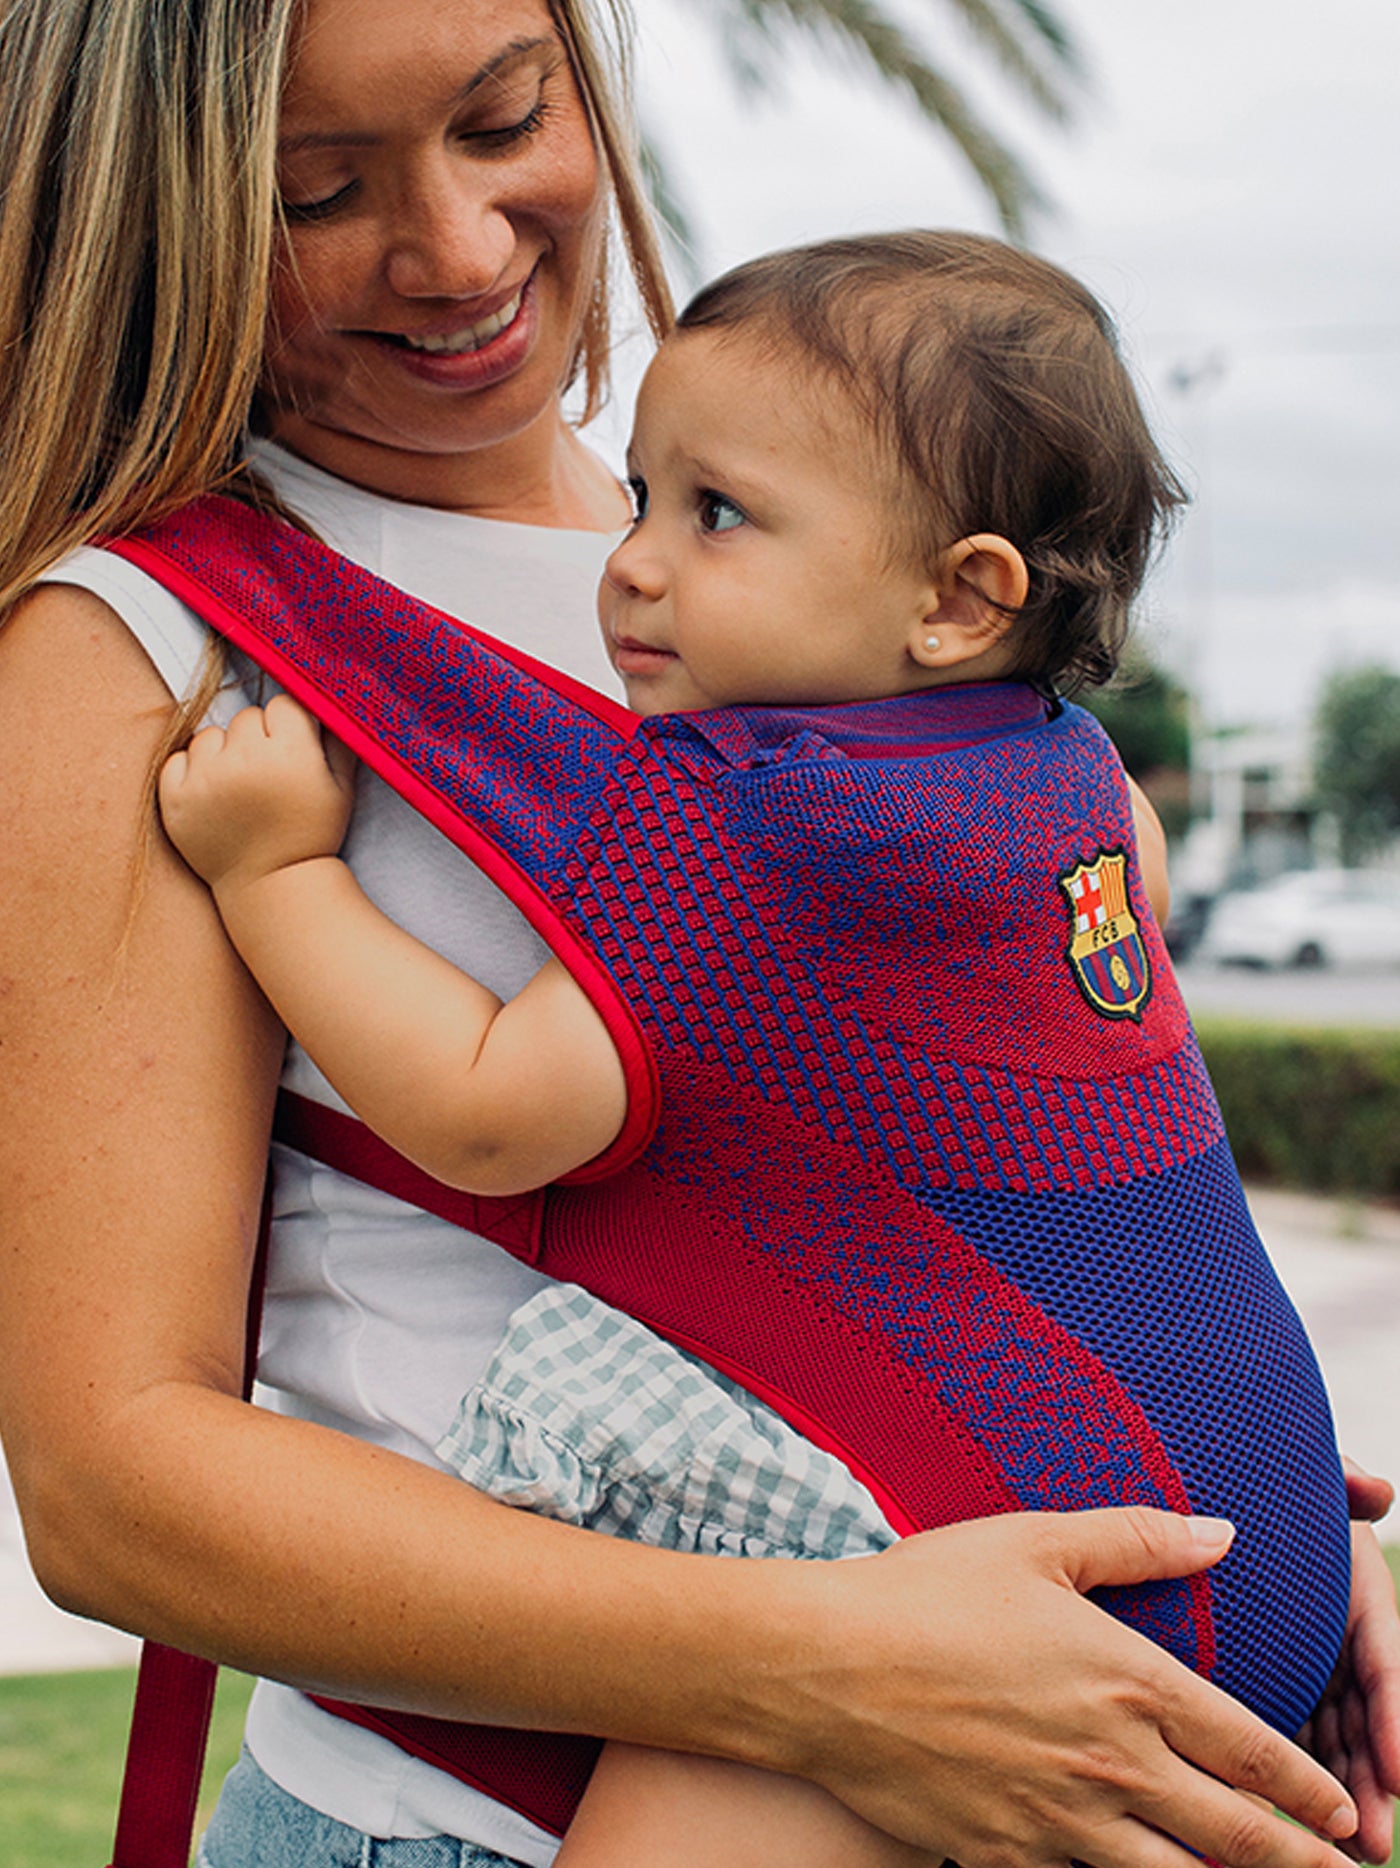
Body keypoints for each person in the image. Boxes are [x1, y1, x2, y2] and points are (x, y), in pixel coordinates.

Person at [0, 0, 1396, 1862]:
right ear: (160, 210)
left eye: (504, 121)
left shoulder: (827, 563)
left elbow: (1067, 1140)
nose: (458, 250)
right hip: (505, 1814)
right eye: (318, 193)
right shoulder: (143, 652)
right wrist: (834, 1665)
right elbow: (115, 1493)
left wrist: (1263, 1537)